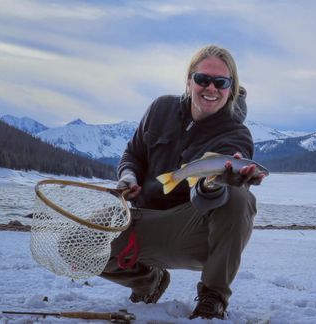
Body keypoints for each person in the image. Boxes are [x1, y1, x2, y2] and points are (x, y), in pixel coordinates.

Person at [100, 44, 266, 320]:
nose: (210, 88)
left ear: (231, 87)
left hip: (187, 231)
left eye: (221, 82)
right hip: (140, 219)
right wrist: (128, 177)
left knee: (239, 197)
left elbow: (206, 199)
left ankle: (214, 296)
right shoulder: (160, 108)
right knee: (75, 242)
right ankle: (147, 281)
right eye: (202, 79)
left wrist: (214, 184)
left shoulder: (236, 135)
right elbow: (133, 154)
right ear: (189, 80)